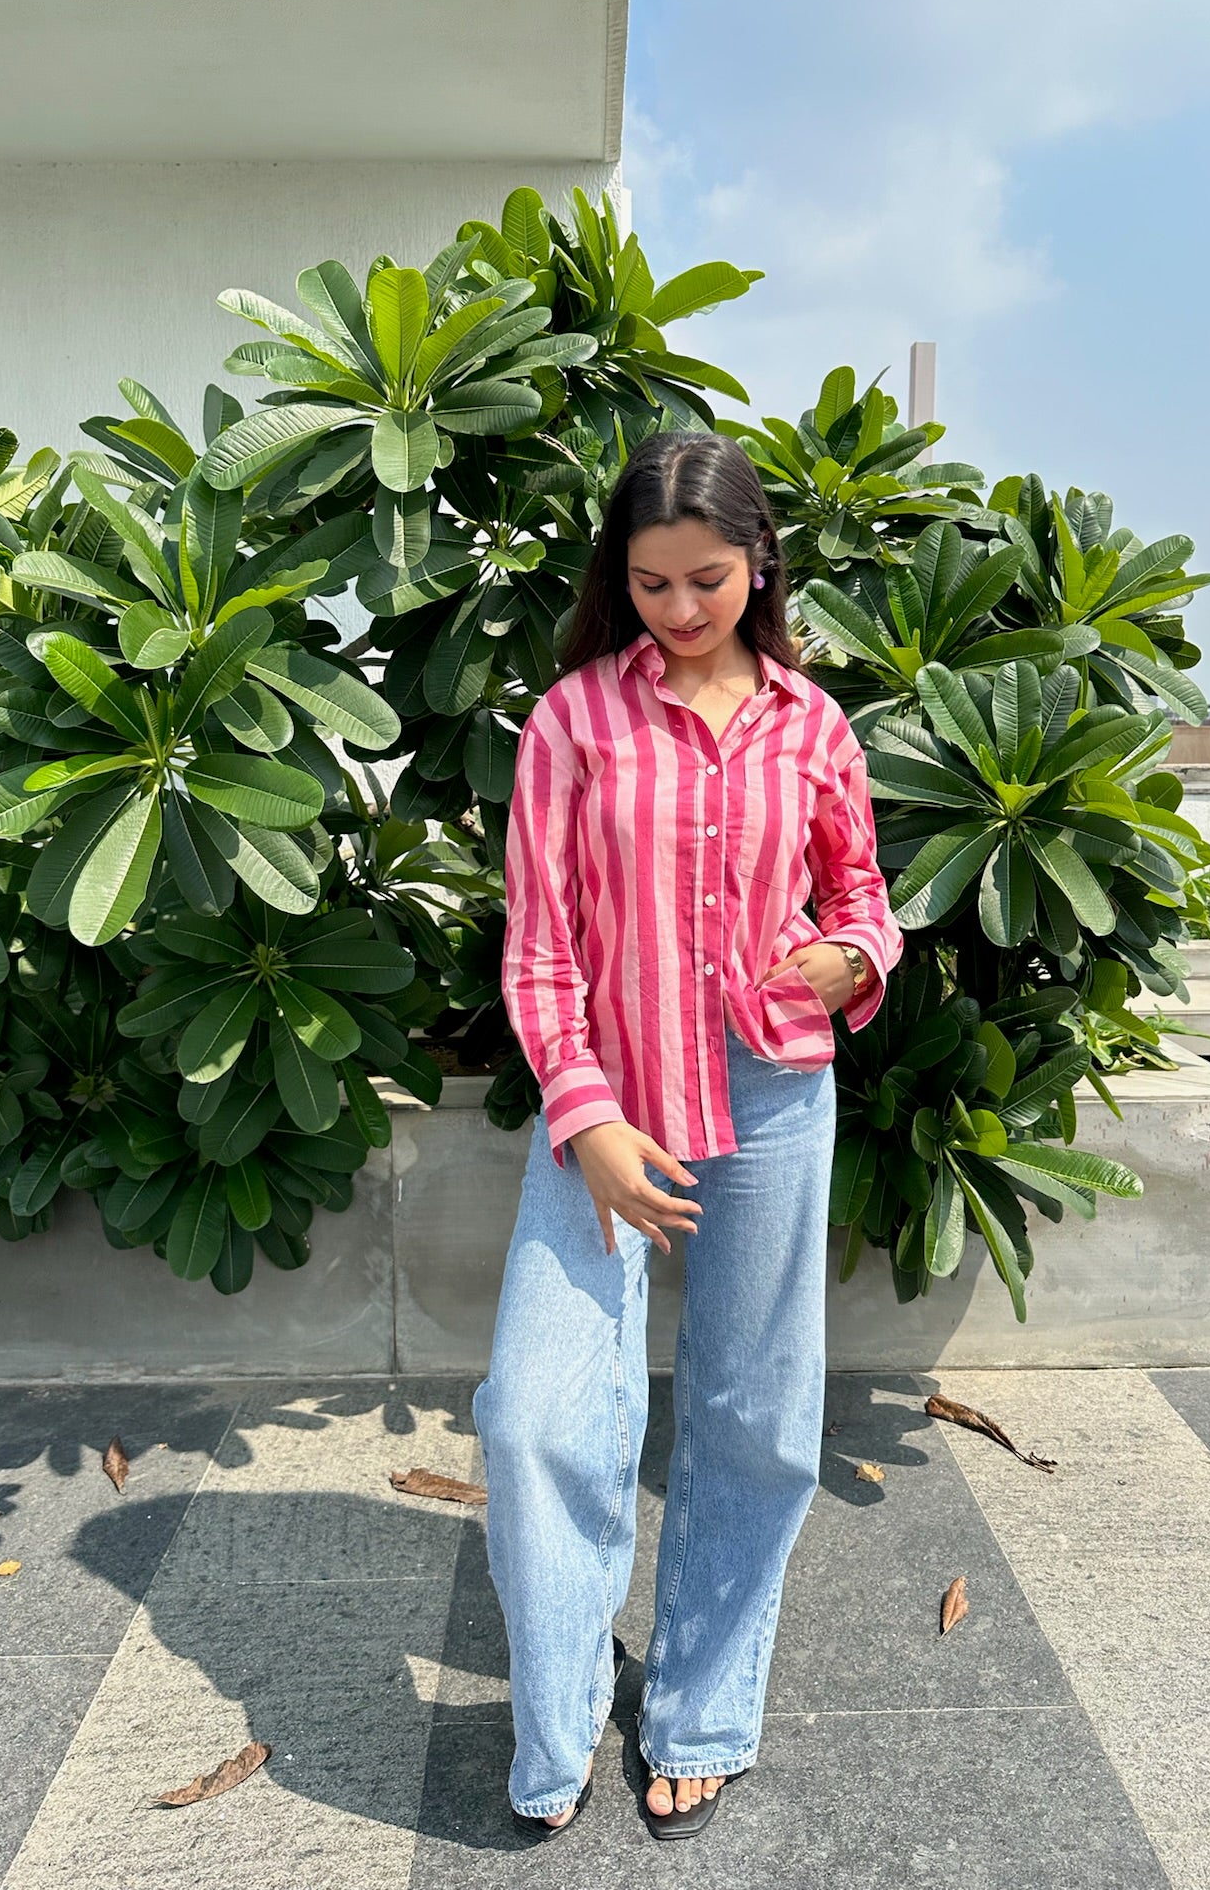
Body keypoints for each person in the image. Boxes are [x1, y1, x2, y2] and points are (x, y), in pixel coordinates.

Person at [472, 429, 903, 1844]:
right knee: (538, 1412)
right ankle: (552, 1738)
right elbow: (539, 954)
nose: (680, 609)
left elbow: (863, 899)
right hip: (613, 1097)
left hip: (773, 1094)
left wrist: (850, 959)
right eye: (650, 583)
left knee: (751, 1412)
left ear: (760, 561)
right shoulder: (573, 724)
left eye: (707, 579)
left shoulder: (811, 725)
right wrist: (585, 1123)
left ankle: (704, 1712)